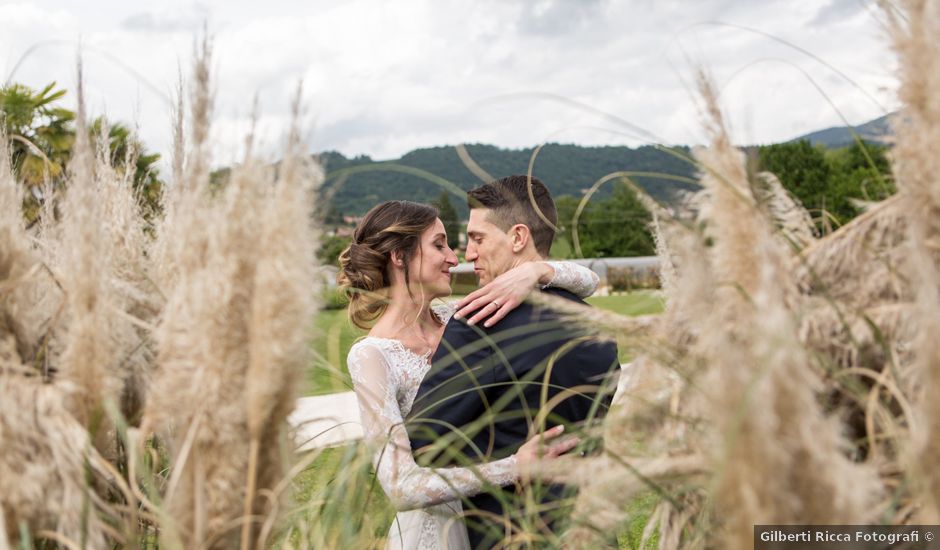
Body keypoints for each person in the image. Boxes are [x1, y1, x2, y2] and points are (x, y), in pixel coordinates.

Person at [338, 199, 601, 550]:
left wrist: (535, 272)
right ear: (399, 257)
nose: (454, 257)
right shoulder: (371, 356)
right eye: (438, 245)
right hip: (436, 533)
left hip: (500, 521)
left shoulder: (462, 319)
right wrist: (514, 467)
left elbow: (589, 282)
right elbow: (402, 486)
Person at [407, 176, 620, 549]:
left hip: (510, 532)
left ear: (518, 238)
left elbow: (423, 441)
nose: (468, 253)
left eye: (478, 238)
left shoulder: (479, 325)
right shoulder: (597, 326)